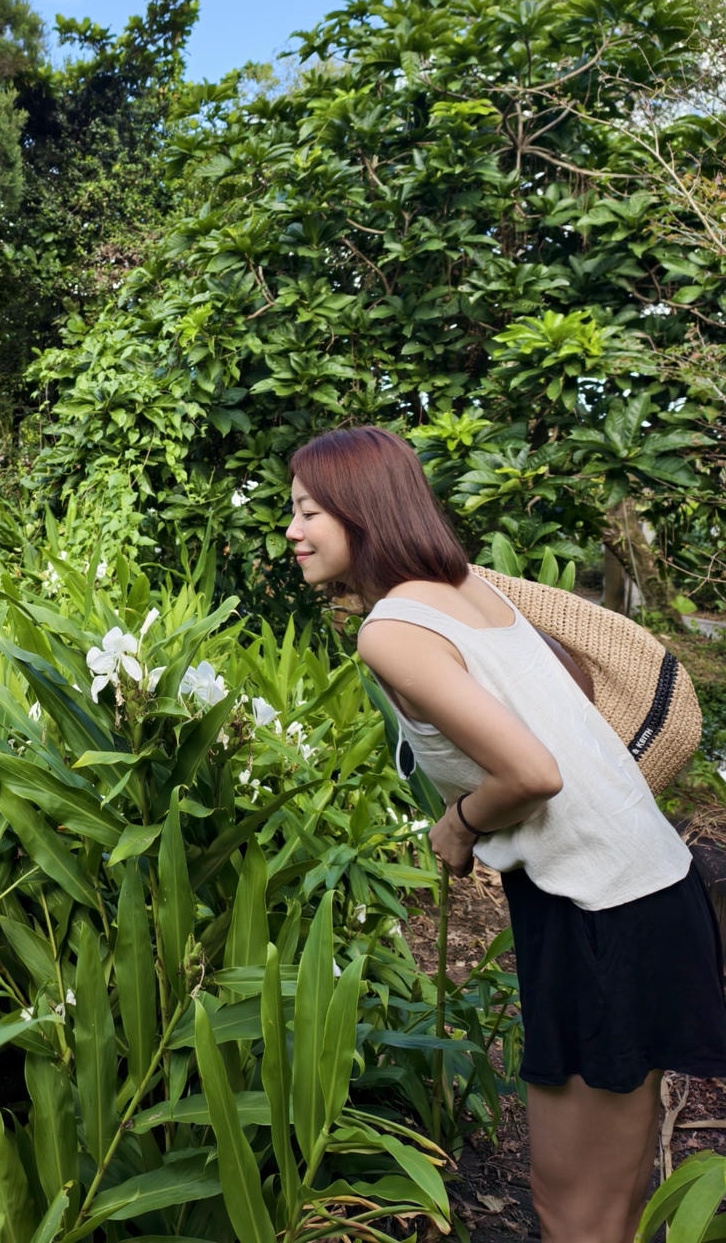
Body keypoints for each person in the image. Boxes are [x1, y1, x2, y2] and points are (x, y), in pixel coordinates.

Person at [285, 425, 726, 1243]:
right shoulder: (470, 593)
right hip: (657, 888)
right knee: (620, 1196)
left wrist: (456, 826)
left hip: (595, 913)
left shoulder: (390, 629)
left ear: (359, 509)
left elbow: (532, 772)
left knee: (572, 1211)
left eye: (309, 510)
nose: (293, 530)